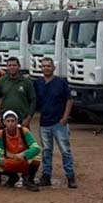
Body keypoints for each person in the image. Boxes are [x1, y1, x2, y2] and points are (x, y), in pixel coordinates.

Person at [34, 57, 77, 189]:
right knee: (46, 151)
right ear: (41, 68)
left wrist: (65, 118)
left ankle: (70, 177)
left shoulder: (61, 83)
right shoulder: (37, 83)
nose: (46, 68)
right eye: (43, 66)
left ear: (53, 68)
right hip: (44, 123)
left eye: (48, 66)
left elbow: (69, 100)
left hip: (59, 123)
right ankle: (46, 176)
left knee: (65, 150)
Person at [0, 110, 42, 191]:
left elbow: (36, 148)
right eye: (8, 121)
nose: (10, 123)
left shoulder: (24, 131)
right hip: (10, 159)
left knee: (36, 158)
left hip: (22, 159)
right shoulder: (1, 134)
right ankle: (13, 176)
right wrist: (0, 158)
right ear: (4, 122)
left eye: (13, 121)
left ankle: (29, 180)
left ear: (17, 121)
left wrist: (24, 154)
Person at [0, 57, 36, 128]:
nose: (12, 67)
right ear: (7, 67)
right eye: (9, 65)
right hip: (5, 119)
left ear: (19, 66)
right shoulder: (2, 81)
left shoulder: (26, 82)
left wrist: (29, 118)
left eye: (14, 65)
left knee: (23, 138)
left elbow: (33, 100)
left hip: (22, 119)